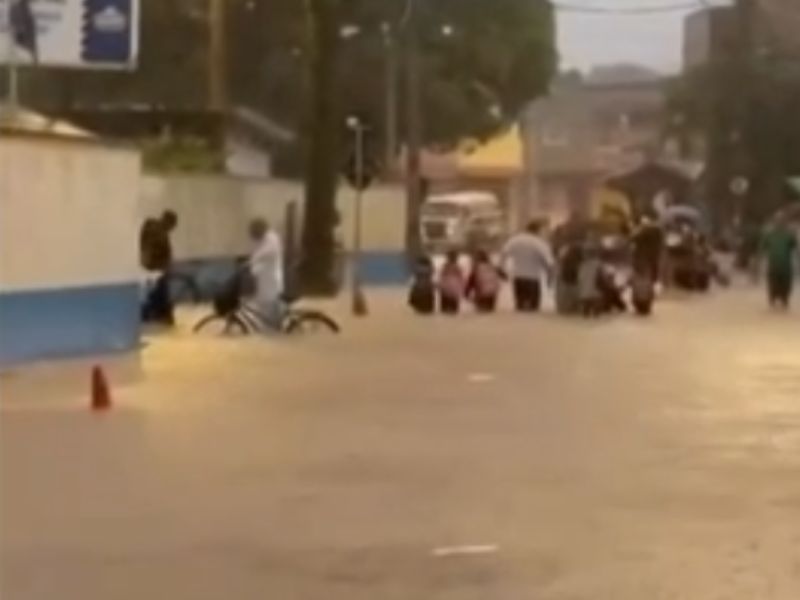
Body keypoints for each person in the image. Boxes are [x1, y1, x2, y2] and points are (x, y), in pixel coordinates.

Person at [501, 221, 554, 312]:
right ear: (537, 231)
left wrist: (501, 268)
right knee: (533, 308)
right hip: (533, 278)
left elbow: (504, 253)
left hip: (518, 277)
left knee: (520, 305)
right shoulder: (539, 242)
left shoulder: (515, 240)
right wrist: (550, 275)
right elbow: (548, 261)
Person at [140, 210, 178, 325]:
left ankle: (154, 315)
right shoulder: (159, 232)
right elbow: (154, 250)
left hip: (153, 267)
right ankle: (159, 316)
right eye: (172, 225)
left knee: (155, 293)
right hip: (156, 268)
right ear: (168, 221)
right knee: (159, 293)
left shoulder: (154, 228)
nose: (172, 229)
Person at [248, 218, 285, 327]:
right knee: (265, 304)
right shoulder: (266, 239)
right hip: (265, 279)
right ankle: (271, 328)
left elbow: (265, 254)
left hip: (271, 279)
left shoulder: (271, 239)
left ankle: (273, 329)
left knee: (270, 304)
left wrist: (253, 261)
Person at [762, 216, 797, 309]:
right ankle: (780, 298)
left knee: (777, 281)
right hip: (781, 263)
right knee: (780, 281)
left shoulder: (770, 235)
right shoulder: (787, 234)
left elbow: (763, 248)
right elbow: (794, 246)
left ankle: (777, 298)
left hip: (778, 263)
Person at [577, 245, 603, 317]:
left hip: (586, 290)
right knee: (595, 303)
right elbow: (602, 275)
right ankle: (594, 313)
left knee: (586, 304)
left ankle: (587, 313)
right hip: (595, 289)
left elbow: (580, 277)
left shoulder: (582, 264)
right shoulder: (598, 264)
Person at [438, 250, 465, 315]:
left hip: (446, 285)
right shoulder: (457, 267)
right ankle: (453, 309)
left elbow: (442, 275)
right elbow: (460, 277)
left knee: (445, 300)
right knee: (454, 303)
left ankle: (446, 308)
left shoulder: (445, 266)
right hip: (455, 286)